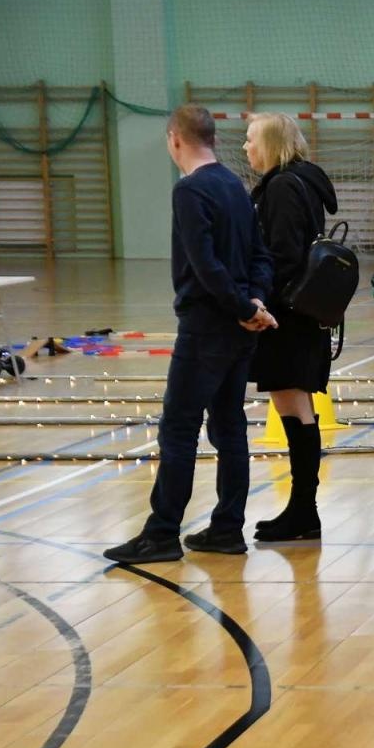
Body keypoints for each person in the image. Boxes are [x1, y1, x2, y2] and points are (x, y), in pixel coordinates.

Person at [105, 106, 277, 564]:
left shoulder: (190, 190)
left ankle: (162, 533)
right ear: (213, 139)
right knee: (229, 428)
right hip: (240, 331)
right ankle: (226, 529)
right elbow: (261, 256)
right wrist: (255, 304)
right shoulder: (236, 187)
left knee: (179, 429)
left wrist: (243, 307)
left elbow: (204, 266)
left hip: (206, 331)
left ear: (174, 140)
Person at [242, 112, 338, 543]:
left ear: (272, 143)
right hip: (303, 314)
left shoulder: (282, 186)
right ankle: (302, 509)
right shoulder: (301, 181)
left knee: (296, 408)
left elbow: (282, 255)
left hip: (287, 317)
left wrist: (259, 303)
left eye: (250, 140)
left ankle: (304, 510)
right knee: (293, 406)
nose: (246, 148)